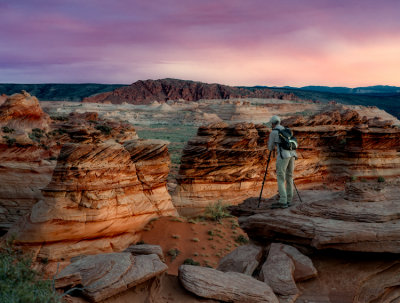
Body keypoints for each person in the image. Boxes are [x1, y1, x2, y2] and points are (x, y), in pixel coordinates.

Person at [268, 115, 297, 209]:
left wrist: (273, 145)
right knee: (289, 177)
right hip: (292, 155)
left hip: (283, 156)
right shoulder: (286, 130)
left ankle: (283, 201)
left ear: (272, 123)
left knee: (280, 177)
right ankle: (289, 200)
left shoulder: (274, 132)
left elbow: (270, 147)